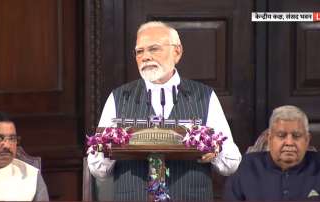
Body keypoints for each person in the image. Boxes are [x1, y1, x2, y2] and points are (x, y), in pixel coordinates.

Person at [88, 21, 241, 201]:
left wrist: (214, 152)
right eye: (140, 51)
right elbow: (97, 168)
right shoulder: (119, 98)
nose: (145, 57)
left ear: (177, 52)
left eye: (153, 49)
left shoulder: (204, 96)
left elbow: (231, 163)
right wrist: (111, 149)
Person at [224, 105, 320, 201]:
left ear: (307, 140)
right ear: (269, 139)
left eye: (296, 135)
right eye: (281, 135)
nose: (289, 142)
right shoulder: (245, 167)